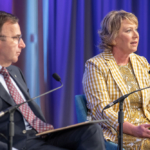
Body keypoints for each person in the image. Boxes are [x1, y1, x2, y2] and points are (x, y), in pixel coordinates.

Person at [0, 11, 106, 150]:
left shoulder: (15, 72)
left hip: (43, 135)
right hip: (19, 144)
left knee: (92, 130)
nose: (23, 45)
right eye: (16, 38)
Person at [82, 10, 150, 149]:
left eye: (135, 30)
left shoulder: (141, 62)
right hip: (118, 133)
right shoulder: (96, 66)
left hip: (146, 127)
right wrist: (134, 130)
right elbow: (101, 110)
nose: (136, 35)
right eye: (128, 30)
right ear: (113, 38)